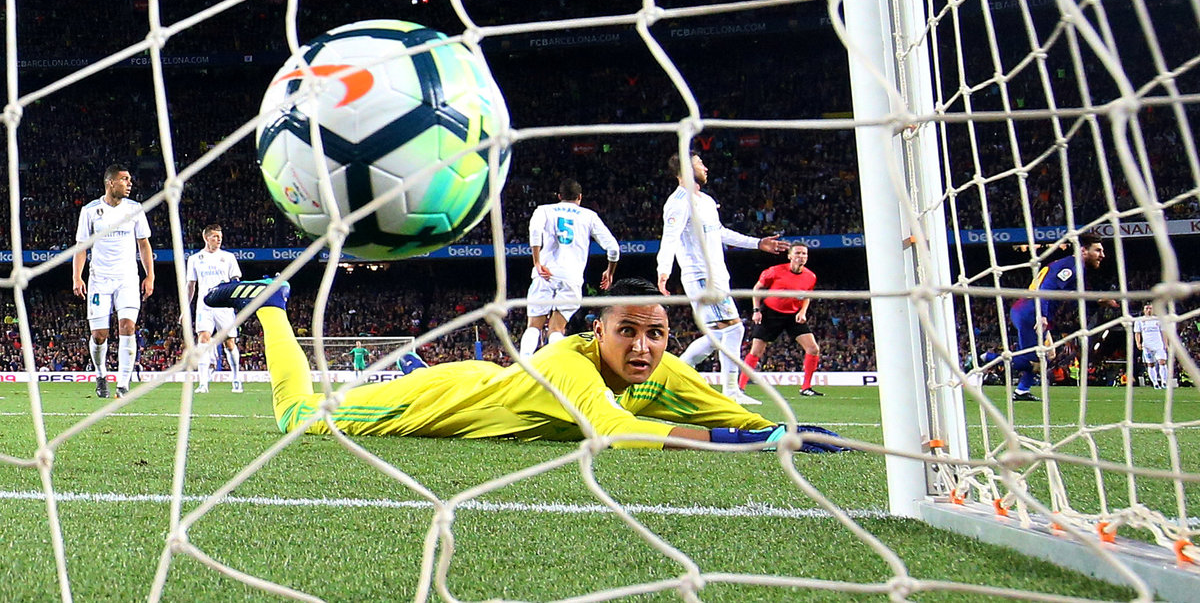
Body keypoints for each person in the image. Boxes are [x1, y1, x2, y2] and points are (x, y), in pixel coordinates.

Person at [204, 277, 848, 452]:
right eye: (627, 332)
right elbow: (615, 431)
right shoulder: (570, 358)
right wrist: (750, 444)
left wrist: (780, 431)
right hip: (441, 402)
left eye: (655, 335)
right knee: (297, 417)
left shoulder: (663, 367)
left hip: (489, 383)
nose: (643, 347)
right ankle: (273, 306)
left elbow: (736, 416)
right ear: (599, 331)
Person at [656, 153, 788, 405]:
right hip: (701, 275)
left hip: (717, 275)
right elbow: (669, 238)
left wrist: (757, 243)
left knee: (719, 335)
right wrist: (663, 271)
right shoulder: (678, 202)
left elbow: (720, 233)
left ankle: (671, 377)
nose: (705, 167)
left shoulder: (705, 200)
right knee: (734, 329)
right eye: (699, 164)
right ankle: (729, 391)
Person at [72, 164, 153, 399]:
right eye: (124, 179)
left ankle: (123, 383)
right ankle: (101, 375)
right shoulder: (90, 211)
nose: (129, 184)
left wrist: (150, 275)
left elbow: (143, 244)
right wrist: (77, 276)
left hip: (127, 279)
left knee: (128, 326)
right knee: (99, 335)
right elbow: (81, 247)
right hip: (99, 280)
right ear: (110, 183)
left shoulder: (135, 209)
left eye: (130, 180)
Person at [519, 179, 620, 357]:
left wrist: (537, 262)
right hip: (571, 277)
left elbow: (535, 231)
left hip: (545, 273)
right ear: (580, 197)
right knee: (557, 329)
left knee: (534, 326)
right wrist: (609, 271)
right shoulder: (589, 216)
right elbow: (613, 248)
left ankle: (523, 364)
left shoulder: (544, 210)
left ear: (559, 196)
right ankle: (556, 365)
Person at [1009, 233, 1112, 402]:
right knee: (1035, 360)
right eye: (1098, 250)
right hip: (1030, 312)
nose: (1102, 255)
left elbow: (1074, 298)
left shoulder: (1074, 267)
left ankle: (1021, 391)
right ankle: (987, 359)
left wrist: (1098, 301)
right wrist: (1041, 315)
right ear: (1083, 250)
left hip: (1028, 310)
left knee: (1049, 355)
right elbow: (1045, 288)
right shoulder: (1071, 267)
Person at [738, 243, 823, 397]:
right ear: (790, 256)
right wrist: (756, 310)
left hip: (793, 315)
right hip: (770, 313)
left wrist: (803, 311)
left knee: (813, 348)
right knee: (756, 351)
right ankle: (740, 387)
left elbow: (807, 295)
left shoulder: (810, 276)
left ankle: (806, 387)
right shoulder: (774, 271)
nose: (801, 256)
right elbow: (757, 289)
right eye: (797, 253)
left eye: (804, 254)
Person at [185, 224, 243, 393]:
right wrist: (185, 309)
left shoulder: (228, 257)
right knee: (203, 339)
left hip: (224, 306)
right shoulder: (195, 259)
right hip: (204, 306)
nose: (218, 240)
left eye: (220, 237)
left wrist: (236, 302)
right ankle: (203, 383)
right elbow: (191, 285)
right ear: (206, 238)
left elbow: (236, 281)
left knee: (229, 343)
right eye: (215, 237)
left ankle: (236, 379)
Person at [1134, 303, 1170, 389]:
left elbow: (1164, 332)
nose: (1149, 310)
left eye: (1150, 308)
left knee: (1162, 362)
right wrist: (1138, 343)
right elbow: (1137, 333)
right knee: (1150, 364)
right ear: (1143, 310)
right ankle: (1155, 383)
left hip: (1158, 345)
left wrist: (1166, 344)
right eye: (1147, 308)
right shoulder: (1139, 320)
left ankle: (1164, 382)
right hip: (1147, 346)